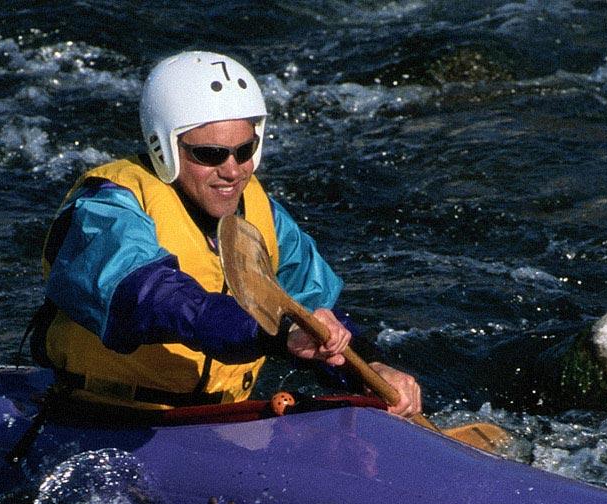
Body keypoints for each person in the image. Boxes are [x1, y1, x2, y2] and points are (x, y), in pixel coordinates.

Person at [29, 50, 422, 417]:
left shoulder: (260, 212)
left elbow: (319, 312)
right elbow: (150, 299)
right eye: (210, 154)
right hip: (101, 412)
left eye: (244, 150)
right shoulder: (106, 206)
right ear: (163, 147)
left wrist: (368, 367)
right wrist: (275, 332)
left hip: (225, 418)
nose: (233, 170)